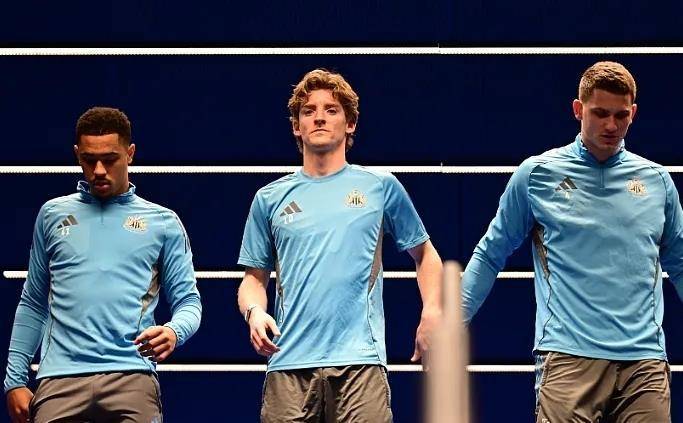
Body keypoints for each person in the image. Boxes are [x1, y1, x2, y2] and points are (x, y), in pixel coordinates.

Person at [462, 61, 682, 421]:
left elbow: (680, 262)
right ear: (578, 109)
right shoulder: (537, 175)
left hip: (644, 363)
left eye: (621, 115)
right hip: (567, 358)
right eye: (600, 113)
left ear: (633, 113)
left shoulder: (657, 181)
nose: (611, 125)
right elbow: (490, 253)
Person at [237, 69, 443, 422]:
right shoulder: (269, 199)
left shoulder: (380, 187)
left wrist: (432, 312)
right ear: (296, 126)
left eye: (331, 110)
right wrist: (255, 313)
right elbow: (253, 280)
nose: (319, 117)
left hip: (361, 365)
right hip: (288, 364)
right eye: (309, 111)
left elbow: (425, 255)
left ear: (350, 124)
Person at [4, 107, 202, 423]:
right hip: (60, 379)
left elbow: (189, 302)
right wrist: (14, 380)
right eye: (88, 159)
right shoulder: (52, 216)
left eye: (109, 160)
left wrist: (173, 331)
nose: (98, 170)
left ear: (130, 153)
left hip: (132, 376)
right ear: (77, 155)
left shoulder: (163, 223)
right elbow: (33, 302)